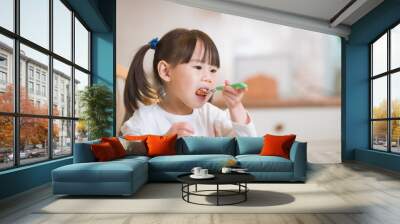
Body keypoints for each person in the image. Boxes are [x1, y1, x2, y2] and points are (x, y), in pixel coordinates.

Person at [120, 28, 257, 137]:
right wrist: (166, 143)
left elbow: (248, 148)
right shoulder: (145, 120)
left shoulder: (212, 116)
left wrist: (236, 107)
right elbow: (131, 154)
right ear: (166, 72)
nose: (208, 78)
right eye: (198, 67)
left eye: (213, 70)